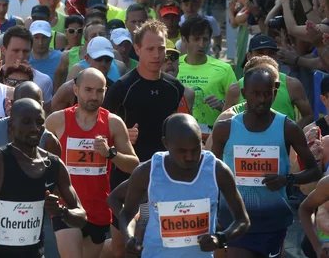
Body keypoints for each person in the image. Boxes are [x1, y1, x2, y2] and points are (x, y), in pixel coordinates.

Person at [0, 98, 88, 258]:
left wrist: (62, 212)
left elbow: (81, 217)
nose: (35, 128)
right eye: (26, 122)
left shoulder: (54, 165)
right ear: (11, 126)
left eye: (40, 122)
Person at [211, 66, 321, 258]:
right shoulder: (225, 130)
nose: (261, 100)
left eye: (267, 94)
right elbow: (211, 173)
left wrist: (287, 179)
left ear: (275, 93)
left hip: (273, 222)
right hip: (236, 220)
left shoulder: (288, 128)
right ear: (244, 94)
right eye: (255, 94)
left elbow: (314, 171)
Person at [119, 113, 251, 258]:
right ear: (166, 143)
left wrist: (220, 238)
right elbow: (126, 213)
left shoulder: (217, 170)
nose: (190, 157)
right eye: (182, 151)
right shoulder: (148, 172)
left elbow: (242, 220)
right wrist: (129, 238)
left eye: (196, 149)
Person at [46, 68, 139, 258]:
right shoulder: (57, 121)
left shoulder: (113, 123)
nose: (94, 96)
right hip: (67, 206)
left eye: (99, 91)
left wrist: (110, 153)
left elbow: (134, 165)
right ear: (75, 90)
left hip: (98, 209)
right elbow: (37, 157)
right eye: (88, 90)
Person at [223, 35, 313, 125]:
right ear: (249, 56)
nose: (266, 57)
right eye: (260, 53)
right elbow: (224, 122)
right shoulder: (235, 89)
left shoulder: (292, 84)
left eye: (271, 53)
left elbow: (308, 115)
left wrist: (288, 134)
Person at [177, 15, 236, 135]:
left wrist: (221, 106)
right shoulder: (174, 66)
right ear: (184, 40)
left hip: (214, 136)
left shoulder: (224, 69)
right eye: (196, 39)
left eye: (205, 39)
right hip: (179, 134)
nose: (201, 44)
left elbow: (239, 106)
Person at [2, 26, 54, 112]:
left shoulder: (44, 81)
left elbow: (46, 115)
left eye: (25, 51)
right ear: (3, 50)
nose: (21, 56)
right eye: (16, 51)